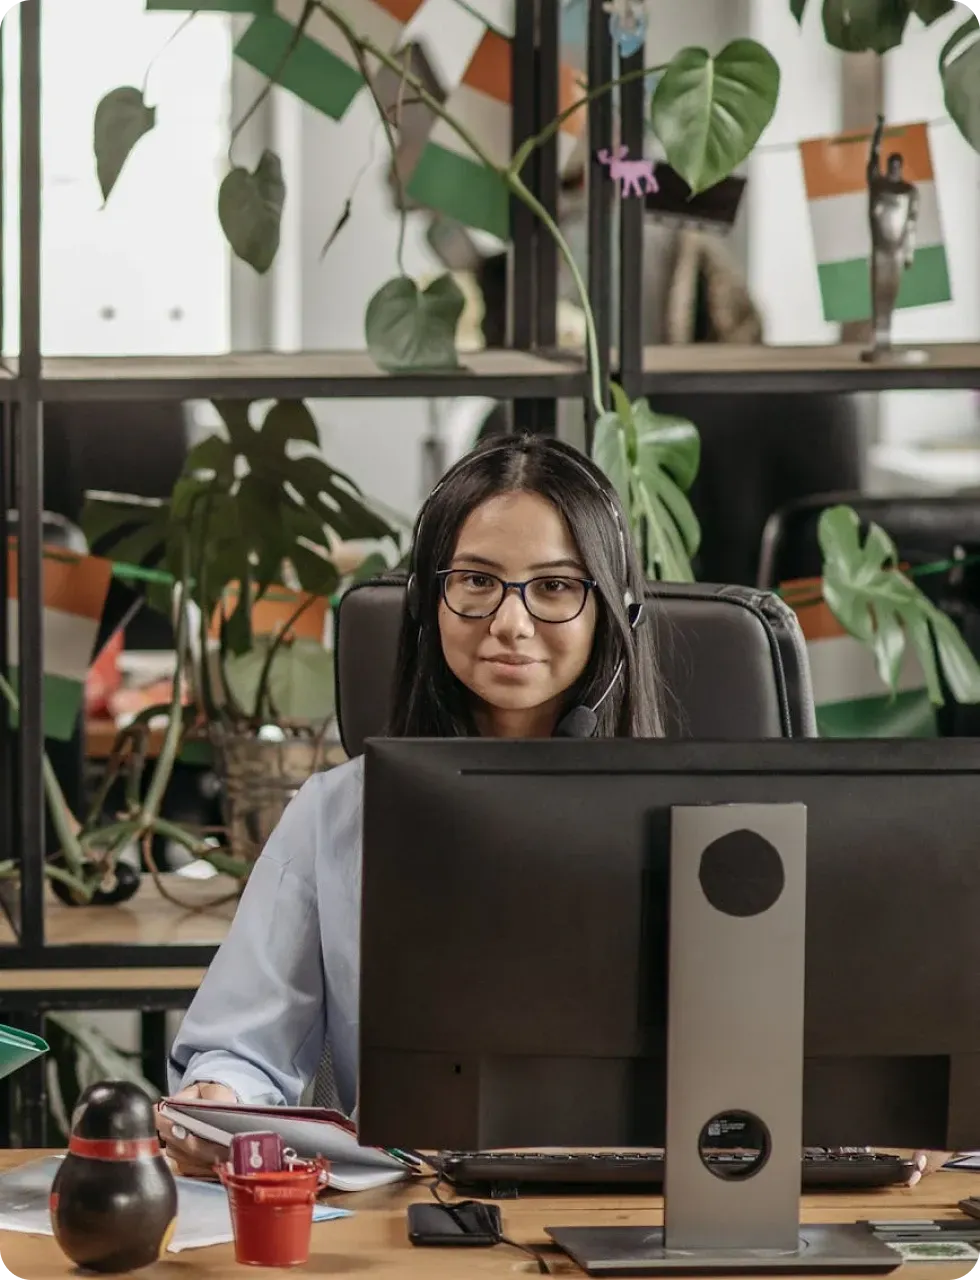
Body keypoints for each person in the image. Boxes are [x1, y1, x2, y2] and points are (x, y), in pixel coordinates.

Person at [157, 432, 664, 1175]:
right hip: (416, 1209)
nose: (511, 623)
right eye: (477, 582)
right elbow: (242, 1049)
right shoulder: (338, 815)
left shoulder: (690, 821)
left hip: (647, 1208)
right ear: (431, 600)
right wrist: (214, 1097)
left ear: (612, 615)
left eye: (556, 586)